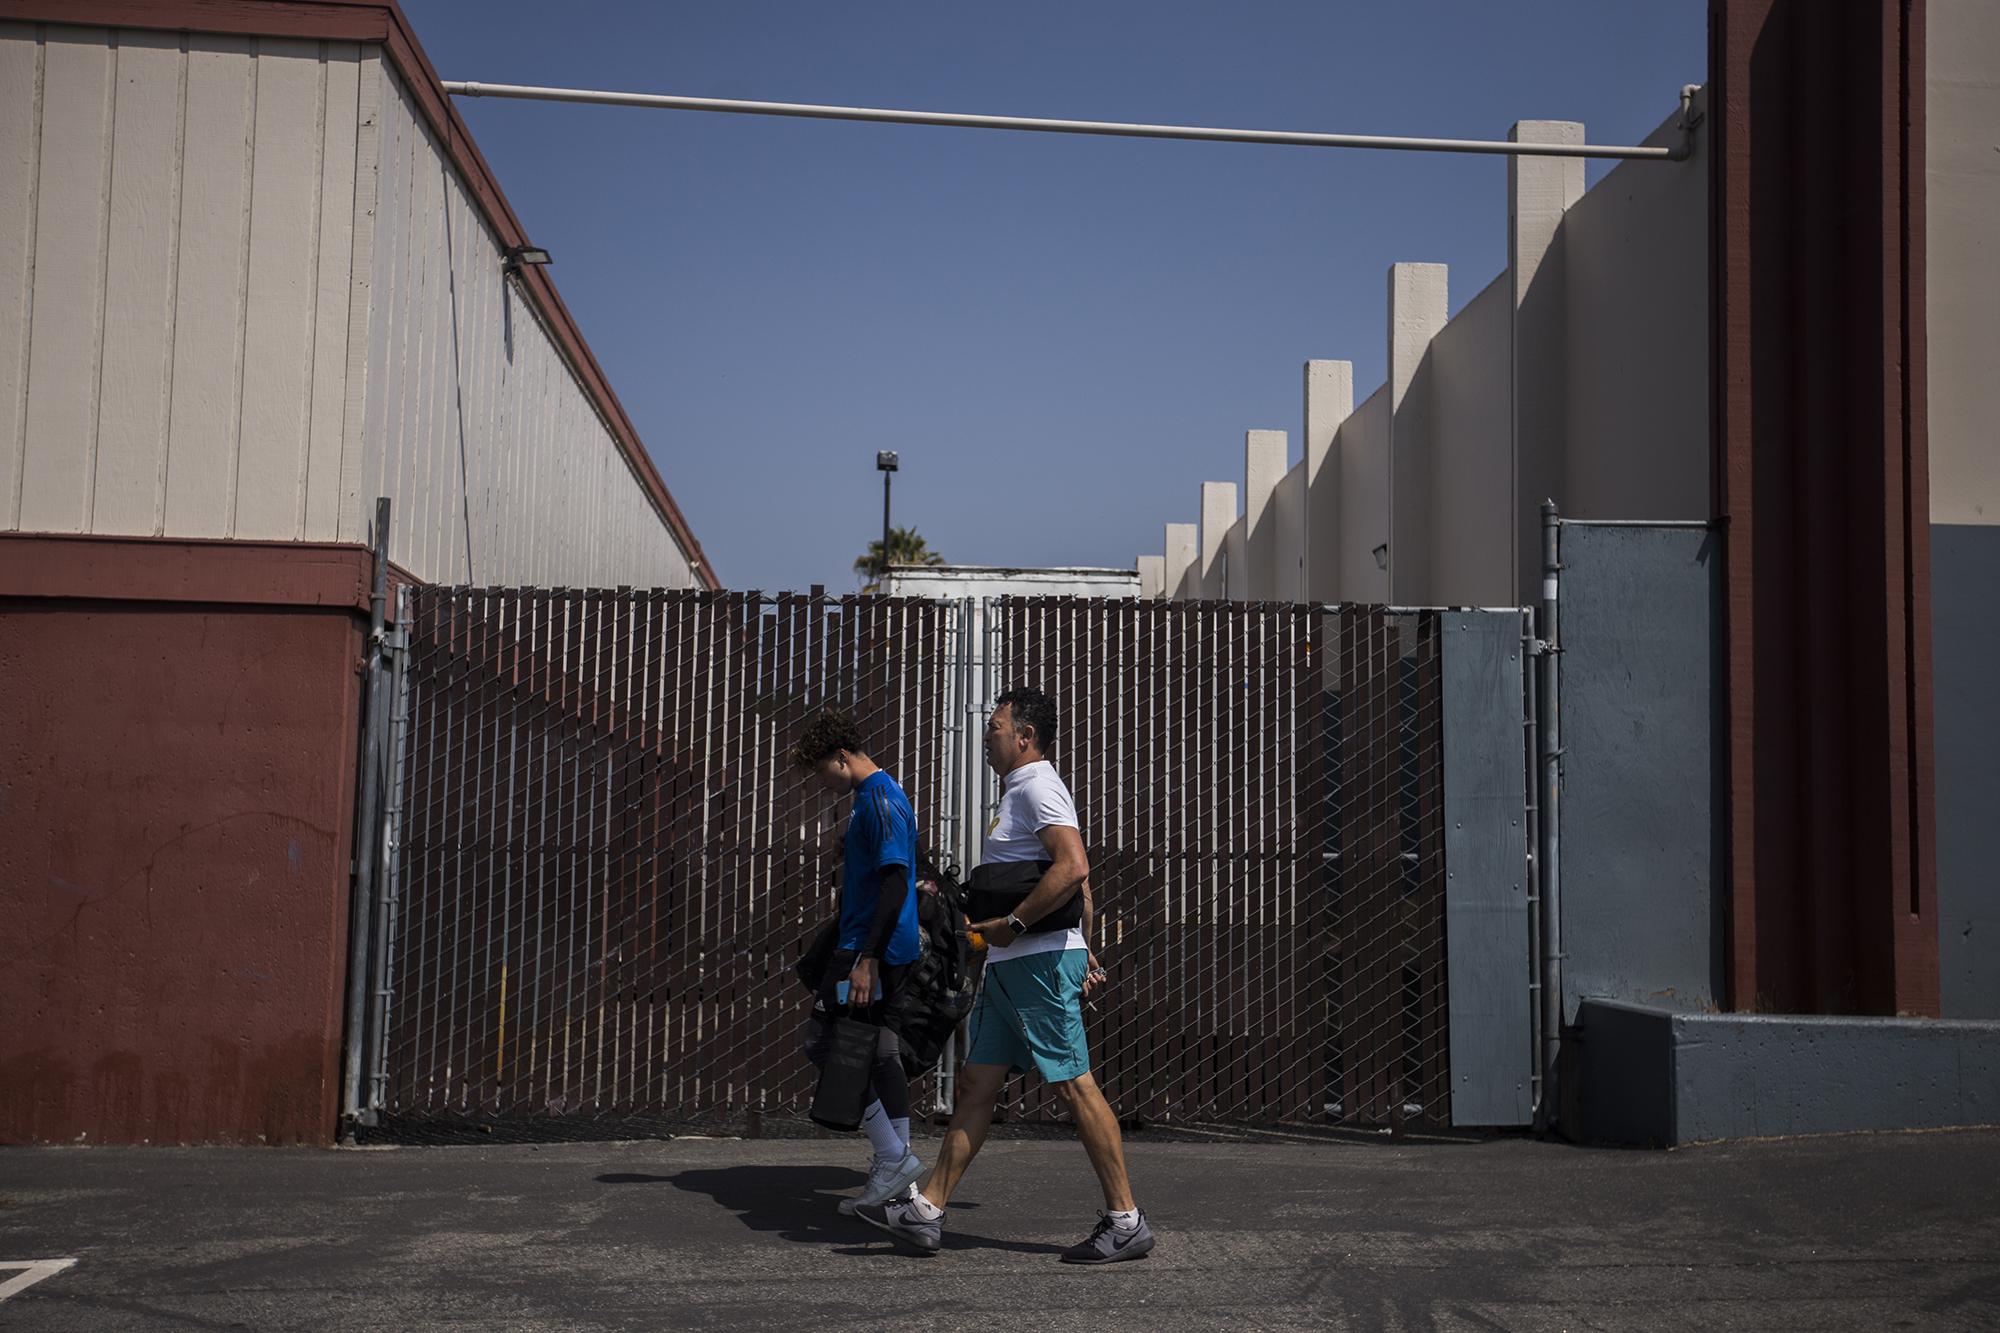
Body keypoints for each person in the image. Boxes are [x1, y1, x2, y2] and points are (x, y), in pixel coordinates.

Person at [859, 686, 1155, 1264]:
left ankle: (1126, 1221)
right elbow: (1074, 878)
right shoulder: (1021, 789)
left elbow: (1074, 866)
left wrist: (1017, 927)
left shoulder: (1037, 784)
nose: (987, 734)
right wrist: (1083, 946)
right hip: (1019, 962)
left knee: (1074, 1084)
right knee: (976, 1086)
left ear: (1025, 738)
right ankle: (927, 1212)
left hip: (1035, 961)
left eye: (995, 726)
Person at [792, 708, 926, 1214]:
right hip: (880, 949)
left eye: (821, 770)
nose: (820, 782)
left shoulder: (881, 799)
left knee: (826, 1042)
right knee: (882, 1051)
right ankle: (901, 1185)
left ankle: (892, 1158)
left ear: (842, 758)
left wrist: (866, 958)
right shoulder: (877, 797)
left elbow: (895, 881)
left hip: (867, 955)